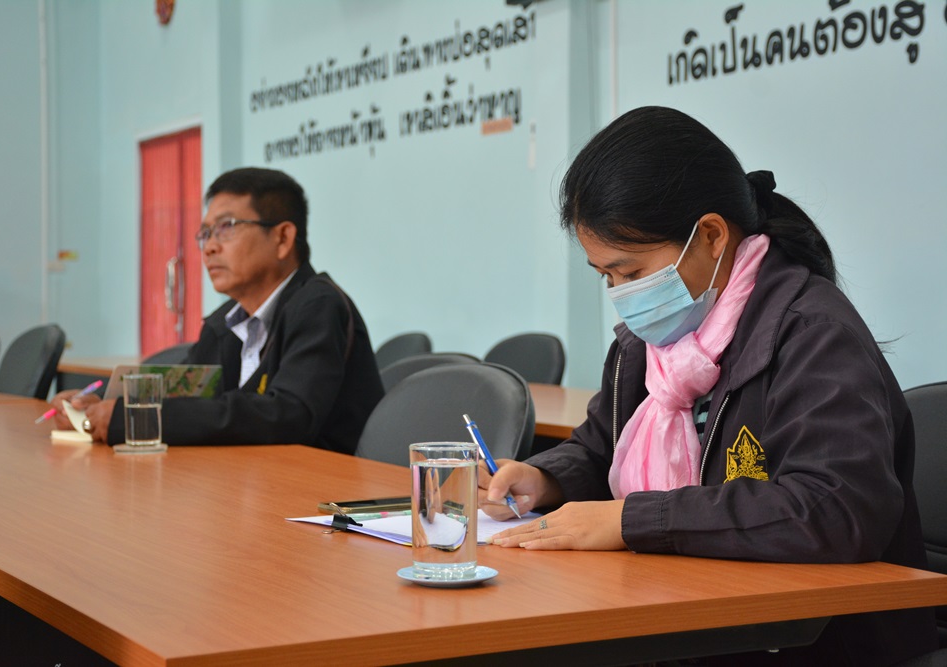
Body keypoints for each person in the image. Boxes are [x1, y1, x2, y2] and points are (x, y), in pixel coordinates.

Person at [481, 107, 936, 666]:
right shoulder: (645, 347)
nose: (622, 296)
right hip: (685, 618)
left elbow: (833, 508)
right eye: (607, 277)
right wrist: (545, 478)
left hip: (812, 641)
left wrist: (632, 520)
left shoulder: (813, 334)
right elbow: (601, 447)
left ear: (712, 236)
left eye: (631, 273)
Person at [52, 167, 384, 454]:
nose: (210, 247)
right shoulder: (226, 322)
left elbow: (287, 415)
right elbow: (184, 388)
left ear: (283, 238)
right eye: (206, 233)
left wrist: (133, 419)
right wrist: (97, 406)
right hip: (250, 483)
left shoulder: (319, 306)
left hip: (323, 492)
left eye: (227, 227)